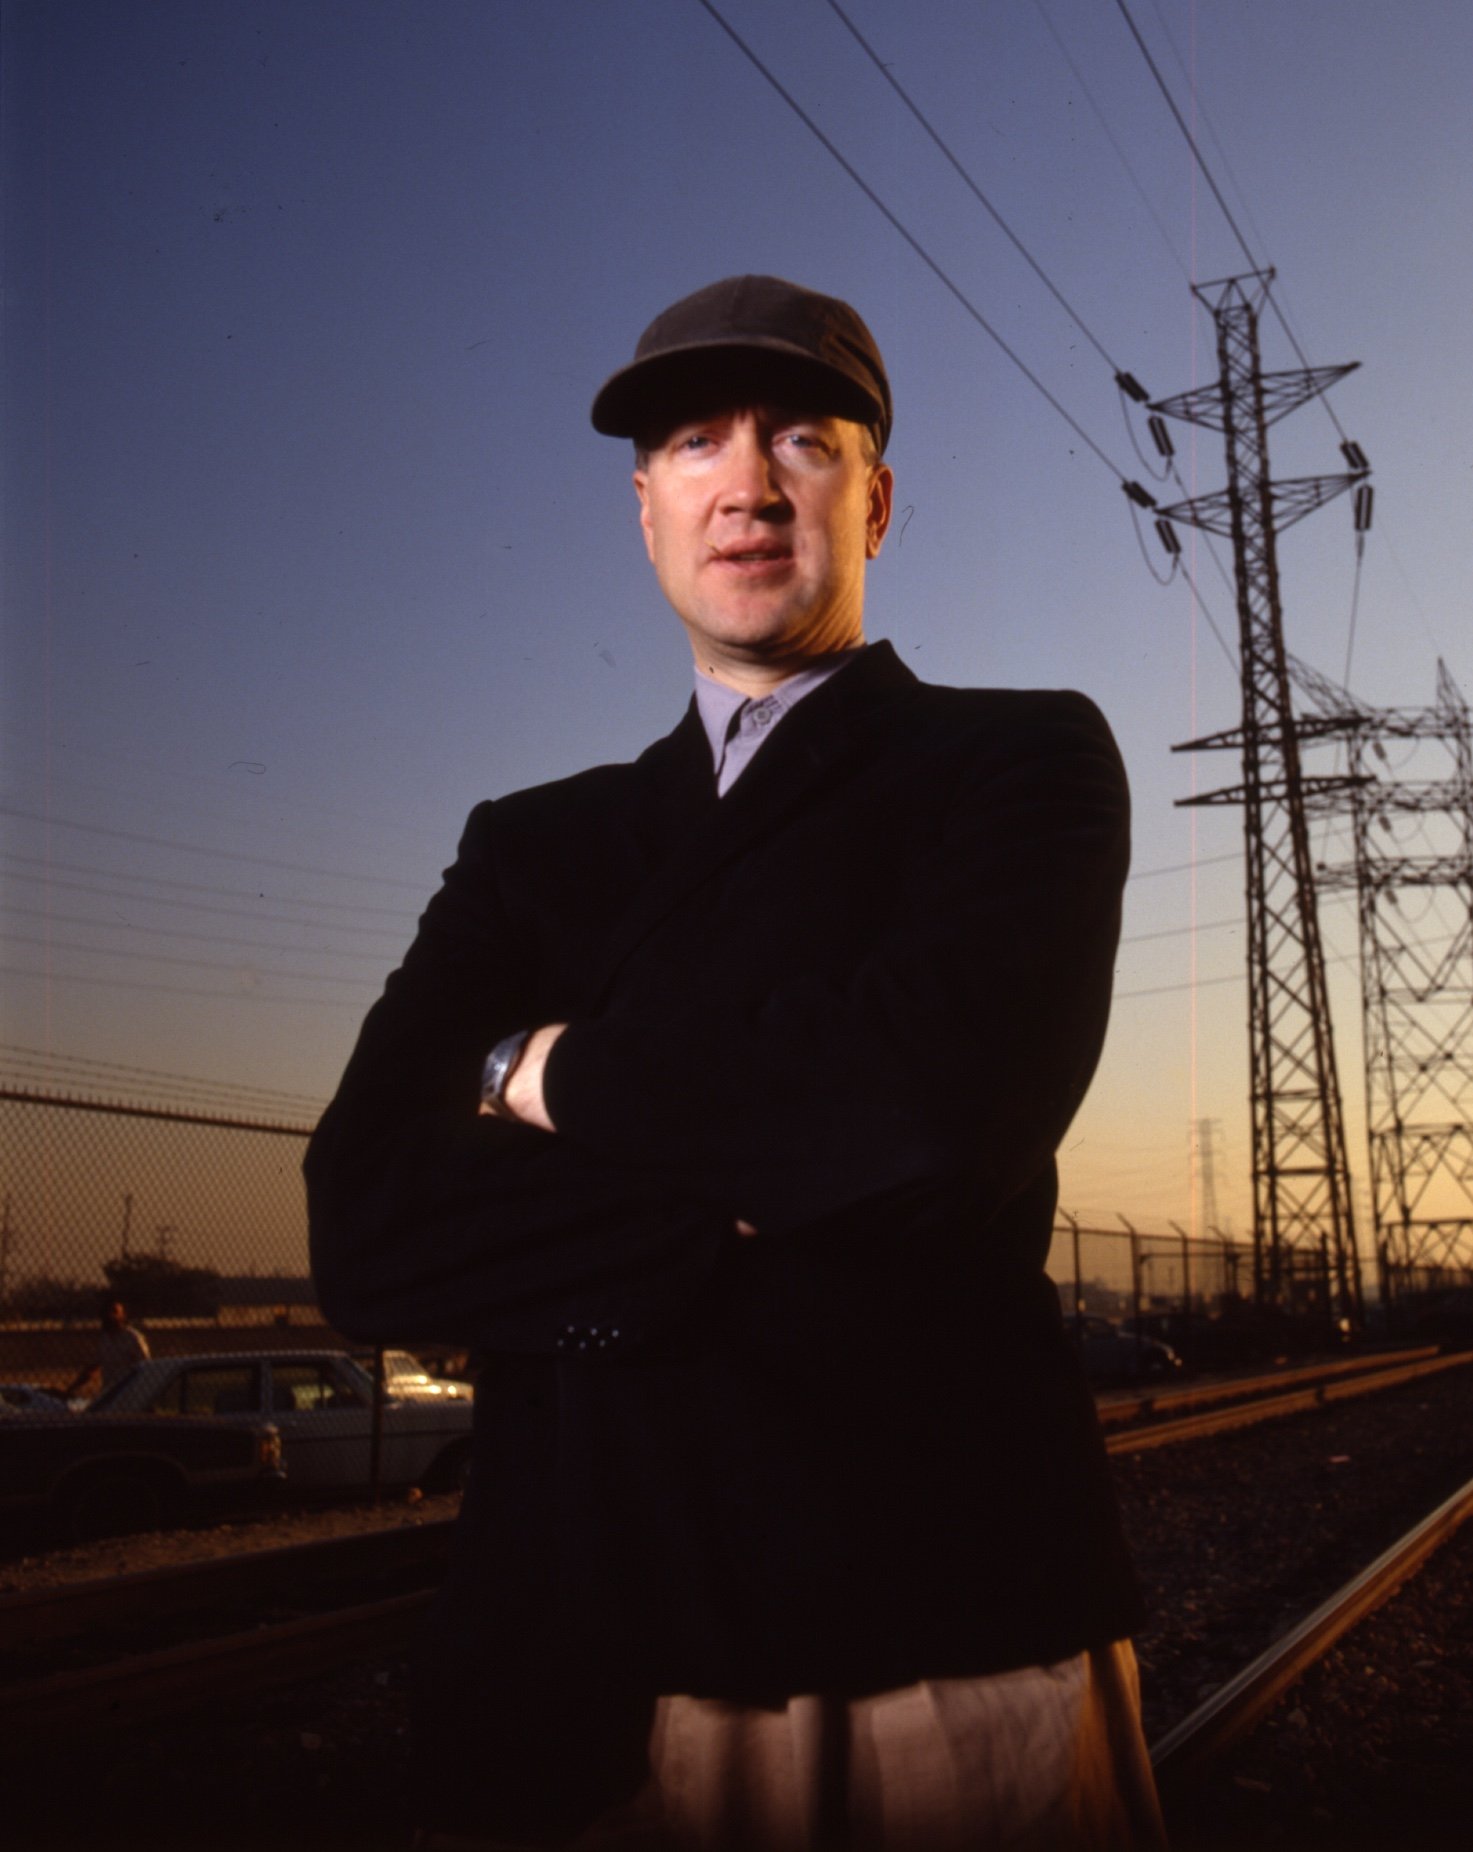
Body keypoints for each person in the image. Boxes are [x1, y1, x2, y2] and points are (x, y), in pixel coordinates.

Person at [306, 275, 1164, 1850]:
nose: (749, 481)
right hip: (567, 1654)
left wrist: (540, 1076)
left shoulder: (1017, 759)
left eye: (802, 440)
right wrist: (762, 1197)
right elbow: (365, 1222)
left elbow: (920, 1115)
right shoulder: (533, 842)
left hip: (922, 1633)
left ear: (876, 499)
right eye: (695, 440)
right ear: (647, 512)